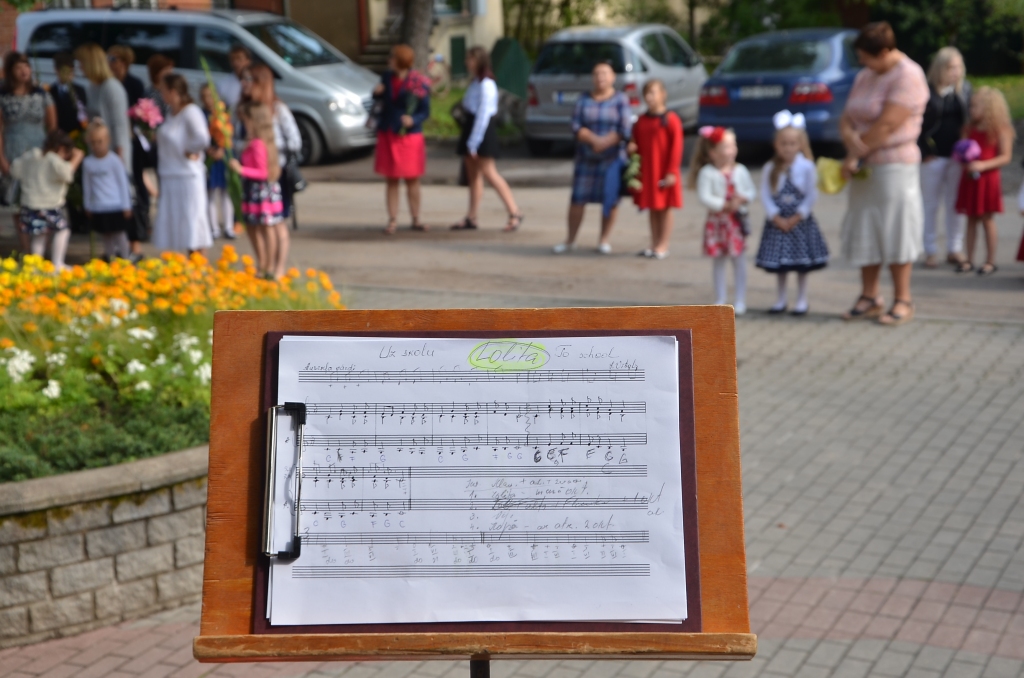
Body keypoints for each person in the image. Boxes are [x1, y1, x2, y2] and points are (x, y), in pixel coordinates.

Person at [839, 21, 929, 326]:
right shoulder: (866, 75)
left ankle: (903, 298)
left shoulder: (909, 75)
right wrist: (849, 137)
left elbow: (888, 125)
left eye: (867, 56)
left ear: (885, 51)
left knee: (895, 230)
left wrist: (854, 153)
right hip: (865, 167)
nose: (862, 62)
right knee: (866, 229)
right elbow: (847, 115)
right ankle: (869, 296)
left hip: (894, 165)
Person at [755, 110, 829, 315]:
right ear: (776, 144)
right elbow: (765, 193)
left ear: (800, 145)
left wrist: (798, 216)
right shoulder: (771, 168)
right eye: (783, 143)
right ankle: (780, 300)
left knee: (801, 264)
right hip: (778, 222)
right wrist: (775, 217)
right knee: (781, 265)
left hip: (799, 222)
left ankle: (802, 300)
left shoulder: (807, 167)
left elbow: (812, 195)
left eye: (792, 143)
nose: (788, 148)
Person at [554, 60, 632, 254]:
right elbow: (576, 126)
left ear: (613, 77)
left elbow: (625, 128)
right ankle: (570, 240)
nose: (601, 78)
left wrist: (605, 142)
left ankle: (603, 240)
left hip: (612, 159)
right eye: (597, 73)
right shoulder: (583, 99)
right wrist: (593, 140)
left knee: (610, 199)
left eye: (605, 73)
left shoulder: (621, 99)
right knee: (578, 199)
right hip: (586, 158)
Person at [452, 45, 522, 232]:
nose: (467, 62)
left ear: (480, 61)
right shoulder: (475, 82)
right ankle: (471, 217)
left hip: (481, 132)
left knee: (490, 173)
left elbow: (483, 115)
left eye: (471, 59)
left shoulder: (486, 84)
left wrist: (473, 142)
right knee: (473, 176)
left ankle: (514, 212)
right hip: (471, 128)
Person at [689, 126, 755, 315]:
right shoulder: (707, 172)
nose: (732, 150)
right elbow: (704, 196)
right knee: (719, 261)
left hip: (735, 223)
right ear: (713, 152)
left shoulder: (740, 170)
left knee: (739, 260)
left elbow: (750, 191)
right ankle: (720, 299)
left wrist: (741, 199)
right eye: (727, 146)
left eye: (733, 145)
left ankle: (740, 300)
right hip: (717, 223)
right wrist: (723, 205)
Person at [918, 46, 970, 269]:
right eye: (951, 67)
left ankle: (954, 248)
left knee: (954, 204)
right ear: (940, 68)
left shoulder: (964, 91)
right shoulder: (926, 92)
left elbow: (970, 122)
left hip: (957, 156)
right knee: (930, 204)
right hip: (933, 156)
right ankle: (930, 250)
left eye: (958, 67)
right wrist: (923, 151)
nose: (955, 72)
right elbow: (917, 124)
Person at [954, 87, 1014, 276]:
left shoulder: (1001, 129)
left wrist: (983, 165)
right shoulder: (969, 128)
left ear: (989, 108)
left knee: (987, 219)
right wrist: (964, 161)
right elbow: (961, 149)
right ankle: (969, 259)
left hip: (988, 179)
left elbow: (1005, 157)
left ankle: (990, 260)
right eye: (971, 106)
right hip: (970, 178)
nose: (971, 110)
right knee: (970, 218)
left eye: (975, 106)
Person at [0, 51, 57, 249]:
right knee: (19, 204)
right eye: (18, 67)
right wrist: (2, 158)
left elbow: (52, 127)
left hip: (38, 151)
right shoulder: (3, 95)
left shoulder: (41, 93)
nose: (24, 71)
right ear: (10, 72)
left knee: (40, 199)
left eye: (26, 66)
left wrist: (53, 153)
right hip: (14, 150)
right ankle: (26, 248)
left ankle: (40, 246)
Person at [371, 45, 431, 234]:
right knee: (392, 180)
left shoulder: (418, 81)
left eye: (392, 57)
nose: (389, 60)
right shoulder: (386, 77)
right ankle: (392, 220)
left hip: (410, 136)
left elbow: (425, 111)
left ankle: (416, 219)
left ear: (400, 60)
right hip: (389, 132)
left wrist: (413, 119)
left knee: (412, 179)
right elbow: (378, 101)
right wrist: (376, 92)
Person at [152, 73, 212, 255]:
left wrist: (190, 150)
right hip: (170, 174)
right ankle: (182, 265)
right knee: (176, 223)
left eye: (163, 91)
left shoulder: (191, 111)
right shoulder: (170, 113)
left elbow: (202, 137)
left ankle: (197, 263)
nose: (161, 95)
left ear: (173, 91)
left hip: (187, 175)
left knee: (192, 220)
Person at [8, 130, 83, 270]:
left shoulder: (30, 156)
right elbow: (67, 174)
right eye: (66, 154)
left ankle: (35, 267)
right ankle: (57, 263)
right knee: (63, 230)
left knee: (39, 235)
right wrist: (76, 158)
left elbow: (15, 171)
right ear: (60, 148)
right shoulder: (53, 159)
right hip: (49, 205)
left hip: (29, 204)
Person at [229, 101, 285, 277]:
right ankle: (262, 264)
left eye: (246, 120)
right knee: (253, 228)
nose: (244, 124)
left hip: (261, 190)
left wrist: (240, 169)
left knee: (266, 228)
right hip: (253, 190)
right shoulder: (254, 141)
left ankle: (268, 265)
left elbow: (262, 172)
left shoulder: (259, 144)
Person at [628, 79, 682, 259]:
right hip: (648, 170)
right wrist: (632, 148)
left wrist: (672, 171)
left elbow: (677, 147)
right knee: (652, 206)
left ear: (663, 94)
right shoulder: (641, 120)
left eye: (653, 93)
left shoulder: (671, 119)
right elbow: (635, 141)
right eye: (647, 94)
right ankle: (654, 242)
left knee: (665, 207)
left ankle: (663, 244)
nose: (649, 97)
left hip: (663, 169)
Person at [248, 64, 302, 225]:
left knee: (277, 221)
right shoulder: (246, 109)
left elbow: (295, 142)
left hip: (275, 170)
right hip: (253, 173)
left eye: (251, 80)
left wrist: (267, 147)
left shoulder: (278, 109)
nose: (245, 84)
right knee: (260, 222)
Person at [82, 118, 133, 260]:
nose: (97, 146)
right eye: (93, 142)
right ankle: (111, 260)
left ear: (107, 140)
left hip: (115, 204)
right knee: (106, 235)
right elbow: (87, 185)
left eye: (100, 141)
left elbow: (123, 184)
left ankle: (126, 258)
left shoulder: (114, 160)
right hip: (99, 205)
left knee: (119, 234)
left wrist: (126, 205)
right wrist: (88, 205)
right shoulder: (88, 162)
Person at [200, 84, 234, 240]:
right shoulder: (201, 114)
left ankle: (228, 226)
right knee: (211, 194)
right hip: (210, 156)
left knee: (226, 193)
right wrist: (209, 150)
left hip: (223, 155)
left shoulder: (223, 113)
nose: (208, 100)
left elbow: (228, 133)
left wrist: (222, 148)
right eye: (205, 96)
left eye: (210, 96)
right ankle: (213, 228)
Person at [50, 52, 87, 135]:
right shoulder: (50, 92)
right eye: (64, 71)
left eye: (71, 71)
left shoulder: (79, 91)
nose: (68, 75)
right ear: (56, 70)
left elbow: (83, 115)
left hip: (76, 135)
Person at [217, 44, 253, 112]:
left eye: (239, 59)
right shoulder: (223, 84)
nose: (236, 62)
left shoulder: (257, 81)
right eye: (232, 59)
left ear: (248, 60)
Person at [145, 54, 175, 119]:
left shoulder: (165, 92)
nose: (170, 72)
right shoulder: (152, 94)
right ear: (157, 73)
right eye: (166, 69)